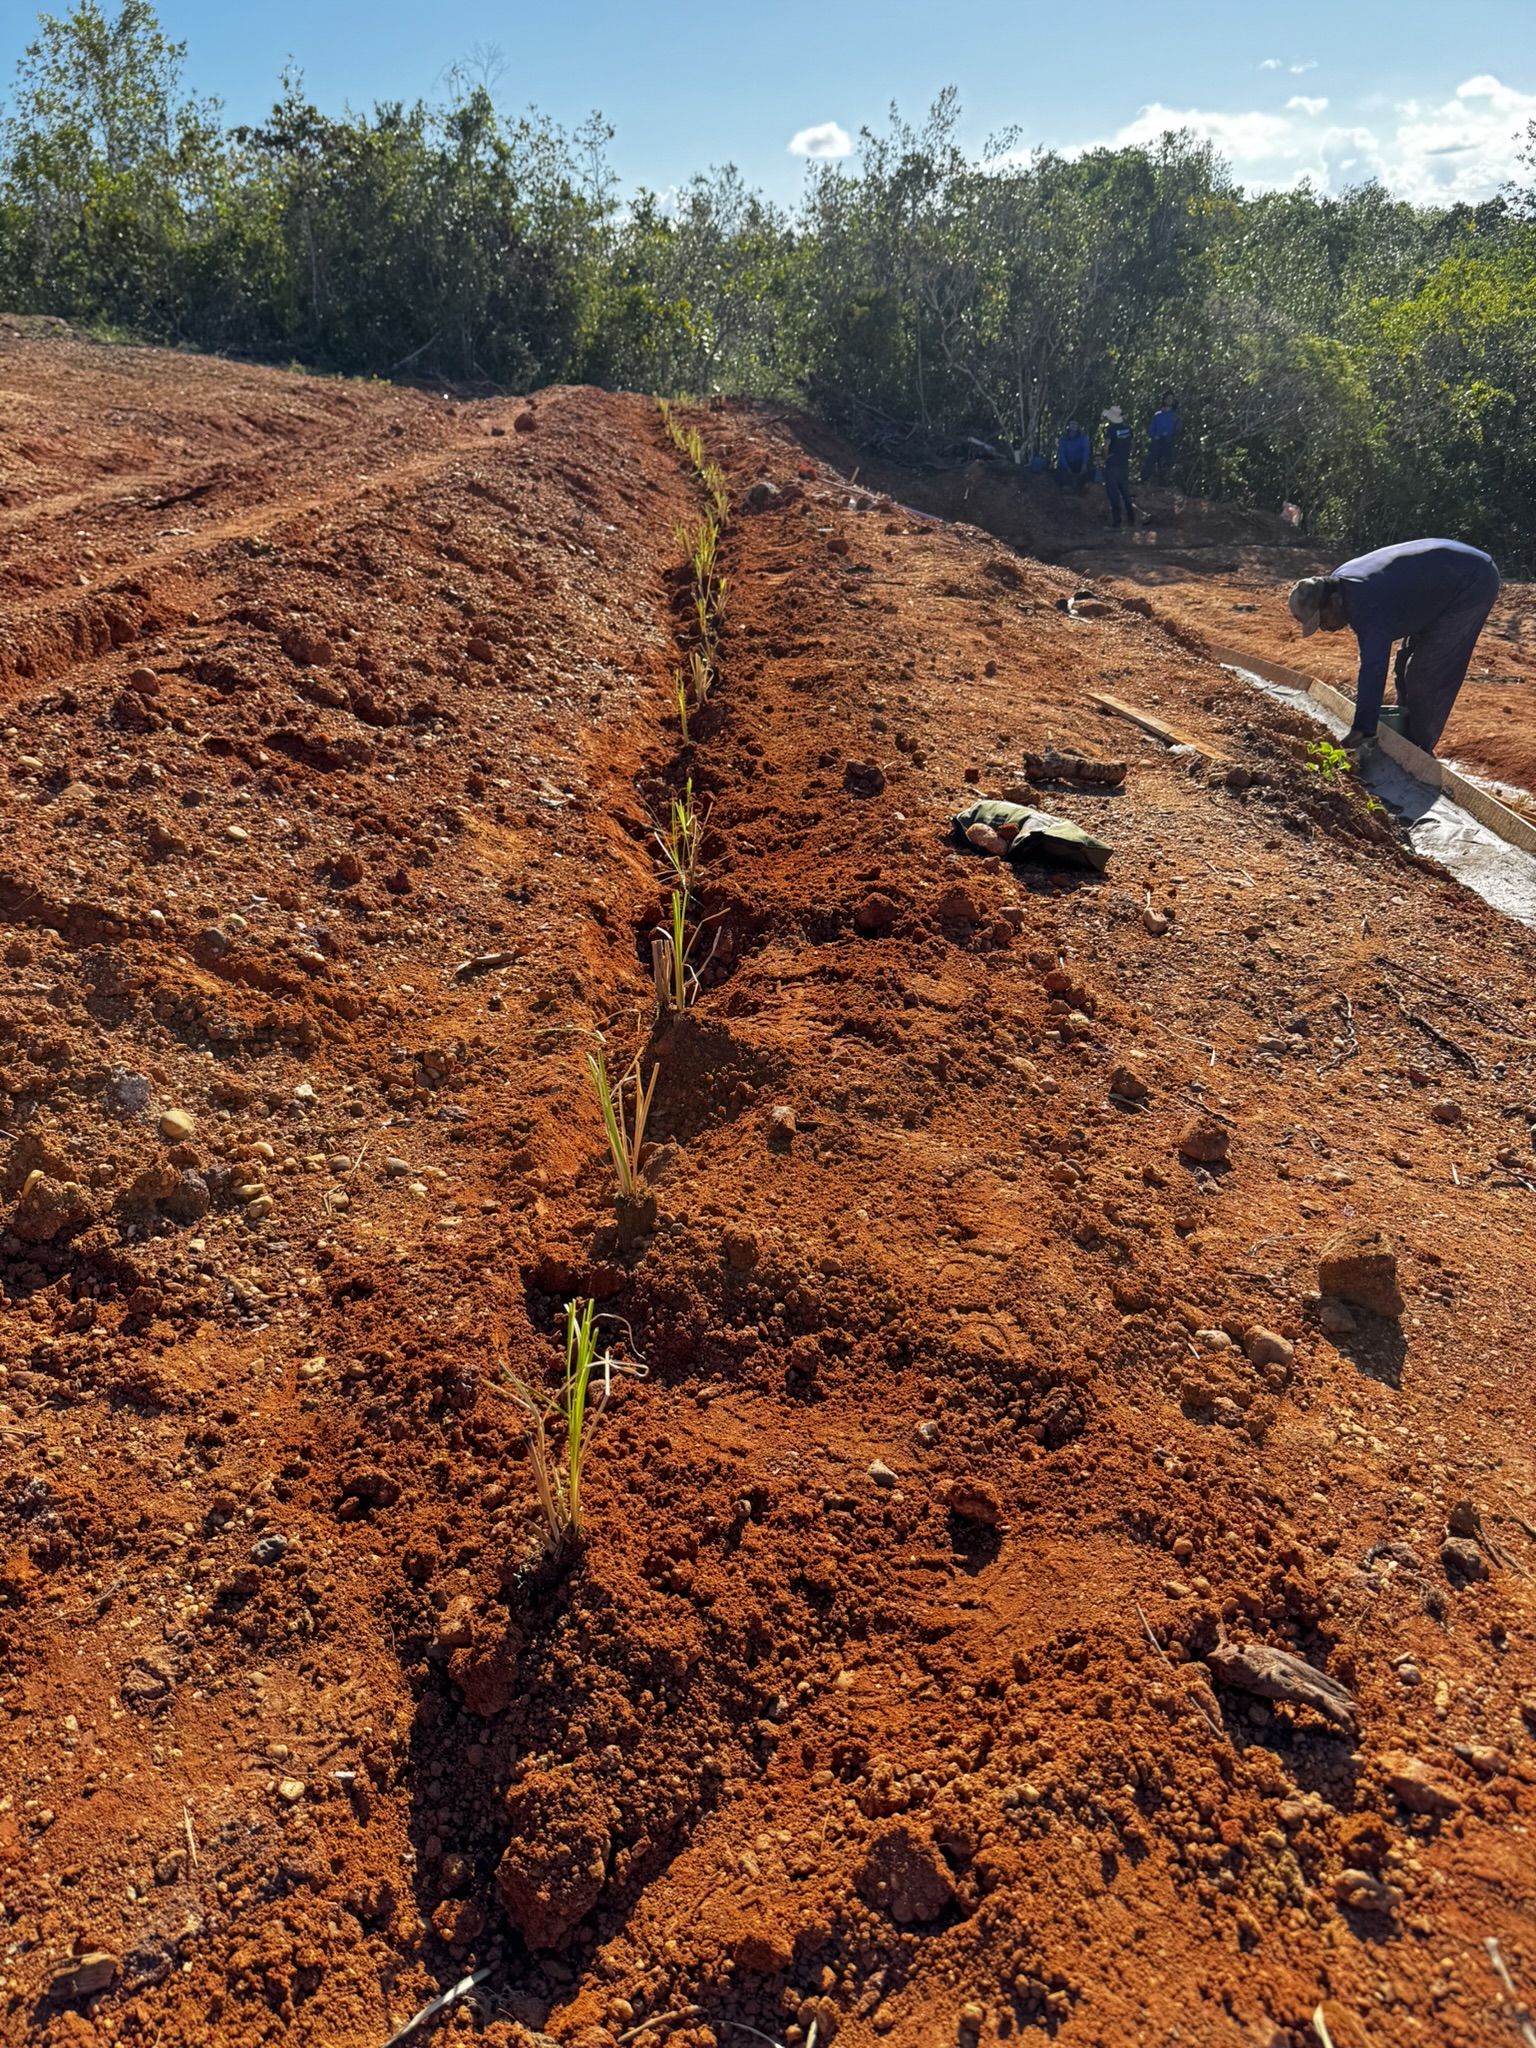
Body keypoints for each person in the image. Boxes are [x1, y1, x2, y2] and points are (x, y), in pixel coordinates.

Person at [1288, 538, 1501, 754]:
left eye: (1322, 620)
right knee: (1402, 666)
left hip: (1472, 581)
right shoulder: (1339, 582)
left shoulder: (1364, 601)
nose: (1325, 628)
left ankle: (1418, 751)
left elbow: (1373, 667)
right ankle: (1403, 736)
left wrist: (1363, 728)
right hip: (1433, 584)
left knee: (1427, 673)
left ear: (1334, 601)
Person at [1100, 406, 1134, 529]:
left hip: (1112, 464)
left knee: (1113, 493)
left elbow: (1106, 447)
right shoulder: (1128, 429)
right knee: (1125, 492)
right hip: (1123, 464)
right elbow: (1132, 445)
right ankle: (1131, 519)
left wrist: (1105, 457)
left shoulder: (1111, 430)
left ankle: (1117, 522)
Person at [1145, 392, 1179, 484]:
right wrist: (1155, 435)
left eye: (1171, 398)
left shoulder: (1174, 416)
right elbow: (1151, 429)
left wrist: (1169, 434)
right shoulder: (1157, 415)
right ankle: (1146, 477)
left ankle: (1166, 479)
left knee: (1167, 457)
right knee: (1153, 455)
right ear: (1164, 400)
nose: (1169, 400)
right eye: (1167, 398)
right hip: (1157, 440)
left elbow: (1178, 429)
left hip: (1168, 440)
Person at [1054, 420, 1091, 490]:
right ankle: (1067, 485)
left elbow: (1086, 451)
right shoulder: (1063, 440)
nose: (1072, 433)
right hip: (1068, 464)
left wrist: (1084, 464)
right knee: (1060, 470)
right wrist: (1067, 467)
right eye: (1071, 431)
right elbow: (1061, 455)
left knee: (1087, 470)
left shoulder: (1083, 439)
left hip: (1079, 463)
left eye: (1074, 431)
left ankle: (1084, 485)